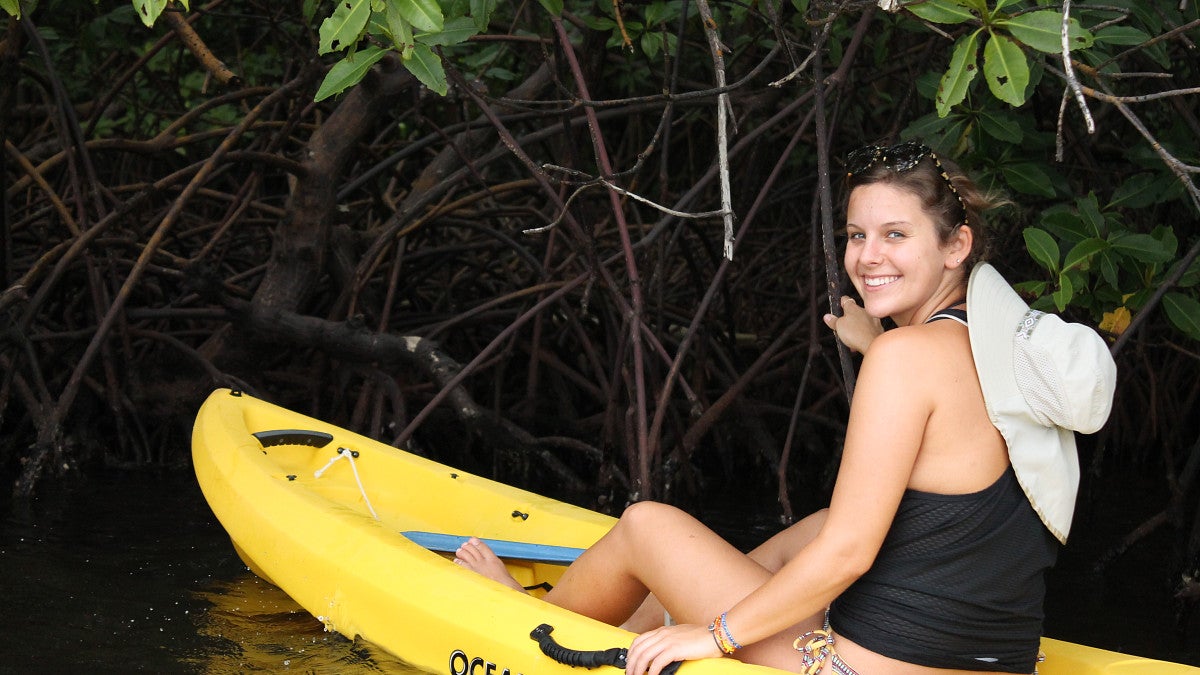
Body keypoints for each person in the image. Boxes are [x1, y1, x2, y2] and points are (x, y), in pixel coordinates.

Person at [454, 140, 1117, 675]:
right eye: (856, 235)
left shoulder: (905, 359)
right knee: (803, 534)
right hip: (995, 666)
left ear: (956, 246)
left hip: (860, 670)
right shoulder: (998, 353)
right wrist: (876, 340)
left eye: (894, 234)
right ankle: (639, 625)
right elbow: (945, 429)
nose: (867, 256)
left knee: (646, 525)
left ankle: (522, 624)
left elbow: (851, 552)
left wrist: (713, 638)